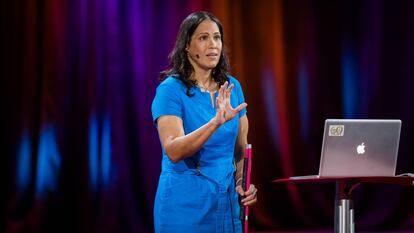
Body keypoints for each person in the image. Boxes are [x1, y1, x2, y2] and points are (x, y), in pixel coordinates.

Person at [151, 11, 258, 233]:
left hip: (227, 206)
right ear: (187, 46)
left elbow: (240, 151)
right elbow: (173, 150)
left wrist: (241, 183)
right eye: (203, 38)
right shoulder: (170, 90)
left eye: (217, 37)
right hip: (184, 205)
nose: (213, 45)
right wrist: (215, 123)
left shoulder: (232, 87)